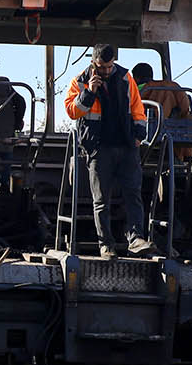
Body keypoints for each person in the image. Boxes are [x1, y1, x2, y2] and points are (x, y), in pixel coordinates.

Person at [63, 44, 154, 258]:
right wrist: (89, 92)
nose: (106, 71)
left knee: (133, 195)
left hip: (126, 146)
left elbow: (137, 108)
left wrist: (138, 136)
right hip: (98, 148)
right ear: (93, 62)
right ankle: (106, 245)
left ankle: (136, 239)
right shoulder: (80, 82)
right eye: (102, 67)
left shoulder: (125, 78)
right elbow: (72, 112)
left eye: (109, 66)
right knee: (101, 199)